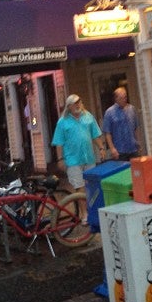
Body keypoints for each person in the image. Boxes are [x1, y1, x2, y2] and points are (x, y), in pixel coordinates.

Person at [51, 94, 105, 223]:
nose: (78, 105)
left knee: (91, 185)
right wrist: (60, 159)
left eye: (79, 102)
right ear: (69, 106)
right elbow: (59, 142)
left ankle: (93, 211)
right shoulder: (63, 122)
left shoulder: (88, 117)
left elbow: (95, 135)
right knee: (79, 186)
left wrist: (102, 148)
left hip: (89, 157)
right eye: (75, 103)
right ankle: (84, 213)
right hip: (72, 160)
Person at [103, 86, 140, 161]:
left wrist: (138, 142)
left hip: (133, 148)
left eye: (125, 97)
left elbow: (135, 128)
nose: (124, 100)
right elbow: (107, 133)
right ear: (116, 99)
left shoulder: (132, 109)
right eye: (121, 98)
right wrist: (112, 149)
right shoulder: (109, 112)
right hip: (119, 150)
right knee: (123, 172)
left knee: (136, 171)